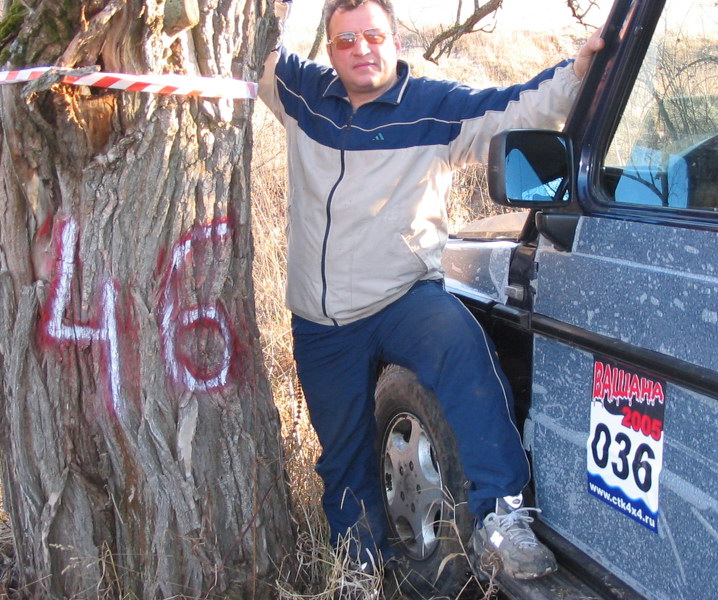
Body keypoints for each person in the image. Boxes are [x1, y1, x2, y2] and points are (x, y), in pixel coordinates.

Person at [258, 0, 604, 582]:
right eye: (346, 41)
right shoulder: (303, 94)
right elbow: (250, 55)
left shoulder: (434, 107)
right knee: (342, 459)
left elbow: (516, 107)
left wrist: (579, 73)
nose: (361, 49)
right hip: (321, 322)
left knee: (459, 343)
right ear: (330, 50)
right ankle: (361, 573)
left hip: (402, 297)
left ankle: (501, 516)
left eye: (373, 35)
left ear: (395, 41)